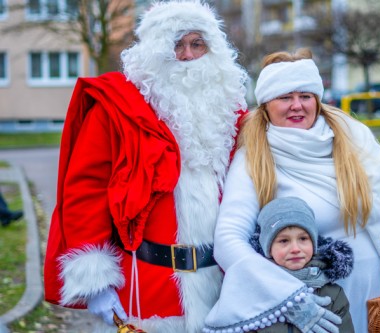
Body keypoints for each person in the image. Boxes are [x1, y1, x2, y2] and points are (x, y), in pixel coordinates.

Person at [43, 1, 248, 332]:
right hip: (149, 291)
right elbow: (86, 190)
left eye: (198, 44)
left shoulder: (232, 110)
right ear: (154, 50)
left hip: (226, 289)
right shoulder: (118, 108)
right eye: (176, 44)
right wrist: (96, 281)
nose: (187, 55)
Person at [204, 49, 380, 333]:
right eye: (285, 97)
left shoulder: (350, 134)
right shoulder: (254, 156)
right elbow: (229, 239)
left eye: (305, 96)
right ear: (266, 104)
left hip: (374, 293)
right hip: (314, 303)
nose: (297, 106)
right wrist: (284, 296)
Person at [251, 196, 355, 333]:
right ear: (268, 248)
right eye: (284, 241)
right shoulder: (255, 293)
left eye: (303, 238)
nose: (295, 248)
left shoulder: (332, 294)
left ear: (313, 243)